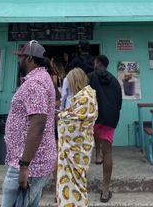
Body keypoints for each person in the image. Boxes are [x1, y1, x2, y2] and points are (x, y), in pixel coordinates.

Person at [2, 40, 57, 207]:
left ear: (30, 59)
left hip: (28, 163)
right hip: (33, 160)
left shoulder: (34, 83)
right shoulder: (43, 78)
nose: (19, 60)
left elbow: (38, 125)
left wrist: (24, 167)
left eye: (21, 57)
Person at [57, 68, 98, 207]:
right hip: (78, 148)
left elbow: (73, 122)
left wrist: (62, 115)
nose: (67, 87)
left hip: (78, 148)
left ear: (75, 82)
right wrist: (67, 114)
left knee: (76, 180)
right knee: (76, 180)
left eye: (69, 83)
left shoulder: (86, 97)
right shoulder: (83, 96)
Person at [88, 55, 122, 203]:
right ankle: (105, 191)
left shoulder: (89, 77)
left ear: (98, 63)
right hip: (110, 118)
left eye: (94, 61)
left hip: (93, 117)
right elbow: (119, 102)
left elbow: (84, 96)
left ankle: (79, 186)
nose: (93, 63)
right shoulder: (115, 81)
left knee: (84, 148)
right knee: (108, 152)